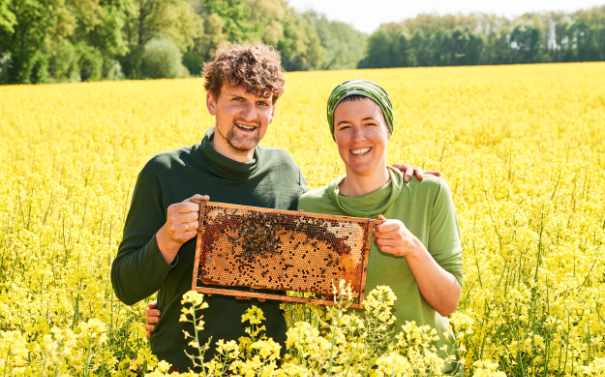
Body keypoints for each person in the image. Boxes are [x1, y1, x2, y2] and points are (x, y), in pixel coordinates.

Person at [114, 44, 427, 371]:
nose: (250, 115)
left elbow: (329, 241)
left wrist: (393, 175)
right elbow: (125, 286)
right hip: (182, 364)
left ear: (273, 111)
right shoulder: (164, 172)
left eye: (262, 103)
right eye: (237, 100)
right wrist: (167, 240)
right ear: (211, 101)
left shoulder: (284, 170)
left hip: (269, 365)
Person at [298, 79, 463, 368]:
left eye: (370, 123)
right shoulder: (311, 207)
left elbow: (448, 303)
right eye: (344, 127)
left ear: (388, 128)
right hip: (351, 368)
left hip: (428, 366)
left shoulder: (429, 192)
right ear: (333, 136)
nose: (357, 137)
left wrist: (412, 248)